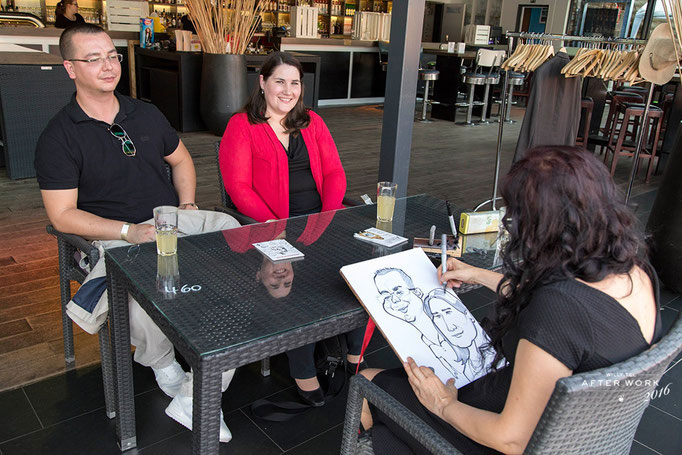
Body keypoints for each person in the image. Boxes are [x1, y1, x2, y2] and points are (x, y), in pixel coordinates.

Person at [359, 146, 663, 454]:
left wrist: (443, 405)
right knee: (405, 395)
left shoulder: (557, 308)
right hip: (579, 435)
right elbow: (570, 315)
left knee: (369, 383)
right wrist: (477, 275)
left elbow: (512, 439)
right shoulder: (635, 271)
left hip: (507, 437)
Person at [34, 23, 236, 443]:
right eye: (94, 59)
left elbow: (181, 160)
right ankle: (165, 366)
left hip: (168, 219)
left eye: (112, 56)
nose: (109, 66)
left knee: (235, 237)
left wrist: (187, 205)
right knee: (139, 280)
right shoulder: (59, 136)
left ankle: (197, 389)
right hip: (110, 235)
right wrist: (129, 232)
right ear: (70, 68)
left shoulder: (144, 113)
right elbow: (62, 216)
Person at [219, 51, 347, 223]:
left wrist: (326, 218)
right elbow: (238, 187)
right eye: (280, 82)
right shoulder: (241, 125)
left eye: (294, 83)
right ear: (263, 82)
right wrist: (274, 226)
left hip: (323, 217)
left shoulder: (312, 121)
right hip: (273, 224)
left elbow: (334, 173)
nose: (288, 91)